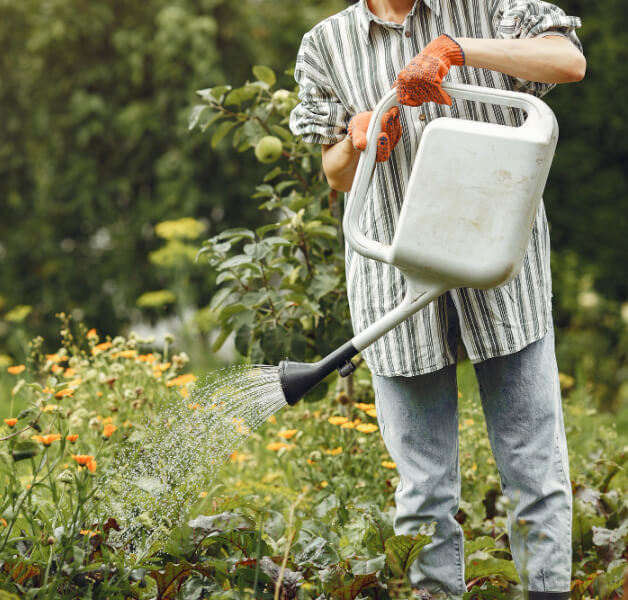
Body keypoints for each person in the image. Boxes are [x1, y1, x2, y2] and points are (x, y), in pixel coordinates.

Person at [289, 1, 584, 598]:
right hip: (395, 278)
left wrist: (457, 48)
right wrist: (358, 138)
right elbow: (337, 174)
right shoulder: (326, 43)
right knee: (424, 490)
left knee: (534, 472)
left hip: (501, 268)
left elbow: (567, 61)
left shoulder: (487, 5)